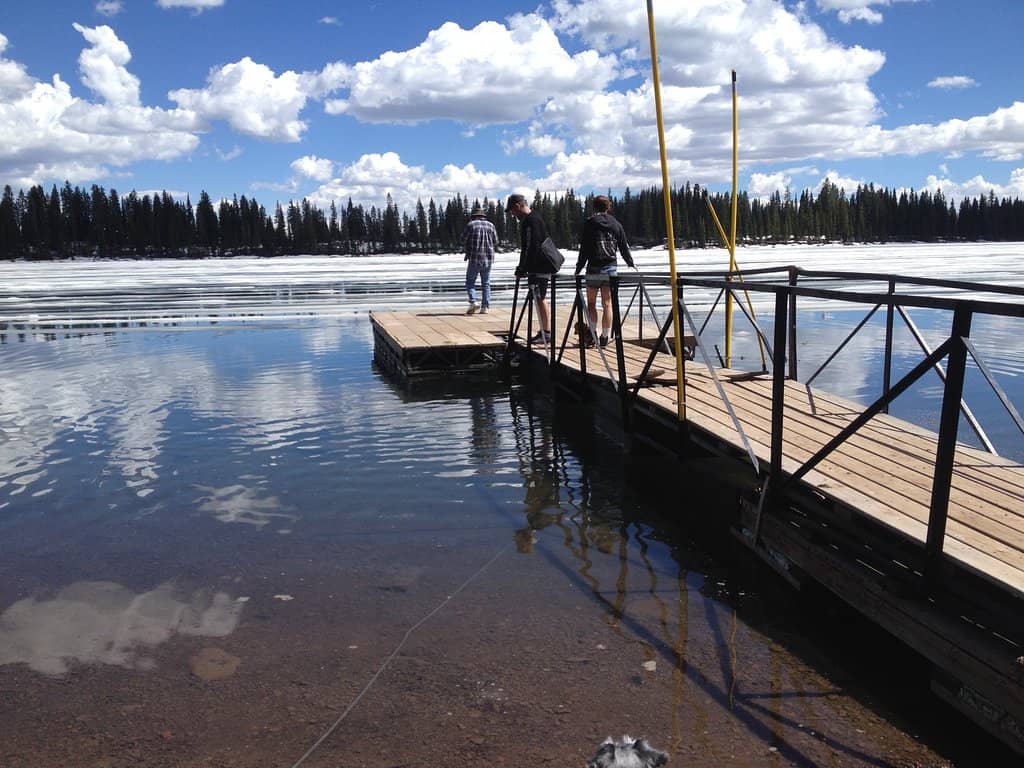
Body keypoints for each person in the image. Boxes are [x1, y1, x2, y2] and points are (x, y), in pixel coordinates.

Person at [574, 195, 634, 348]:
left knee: (592, 303)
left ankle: (592, 334)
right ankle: (605, 336)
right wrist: (630, 262)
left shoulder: (590, 223)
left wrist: (579, 267)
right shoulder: (616, 224)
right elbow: (623, 246)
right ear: (608, 206)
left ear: (594, 207)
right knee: (608, 304)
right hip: (610, 268)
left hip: (593, 268)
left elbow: (585, 248)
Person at [506, 193, 551, 345]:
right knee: (539, 298)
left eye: (512, 210)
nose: (513, 214)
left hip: (538, 266)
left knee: (540, 298)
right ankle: (545, 331)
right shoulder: (534, 218)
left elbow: (531, 246)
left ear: (518, 206)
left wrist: (522, 267)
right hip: (539, 265)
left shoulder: (530, 221)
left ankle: (546, 333)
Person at [462, 203, 497, 314]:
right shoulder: (491, 225)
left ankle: (473, 301)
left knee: (470, 282)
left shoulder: (471, 225)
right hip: (488, 258)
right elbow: (496, 241)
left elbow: (463, 239)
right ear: (483, 216)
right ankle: (485, 307)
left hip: (474, 258)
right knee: (486, 283)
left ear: (474, 216)